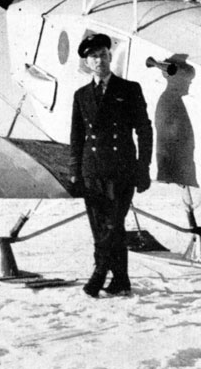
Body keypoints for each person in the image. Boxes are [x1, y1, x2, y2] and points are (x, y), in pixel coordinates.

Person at [69, 33, 153, 298]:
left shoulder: (129, 89)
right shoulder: (81, 95)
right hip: (92, 170)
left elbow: (144, 130)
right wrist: (75, 171)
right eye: (93, 56)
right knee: (100, 228)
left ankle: (99, 273)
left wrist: (144, 167)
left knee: (113, 224)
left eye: (103, 54)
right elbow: (77, 136)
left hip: (122, 170)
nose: (99, 60)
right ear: (87, 61)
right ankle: (121, 280)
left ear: (110, 56)